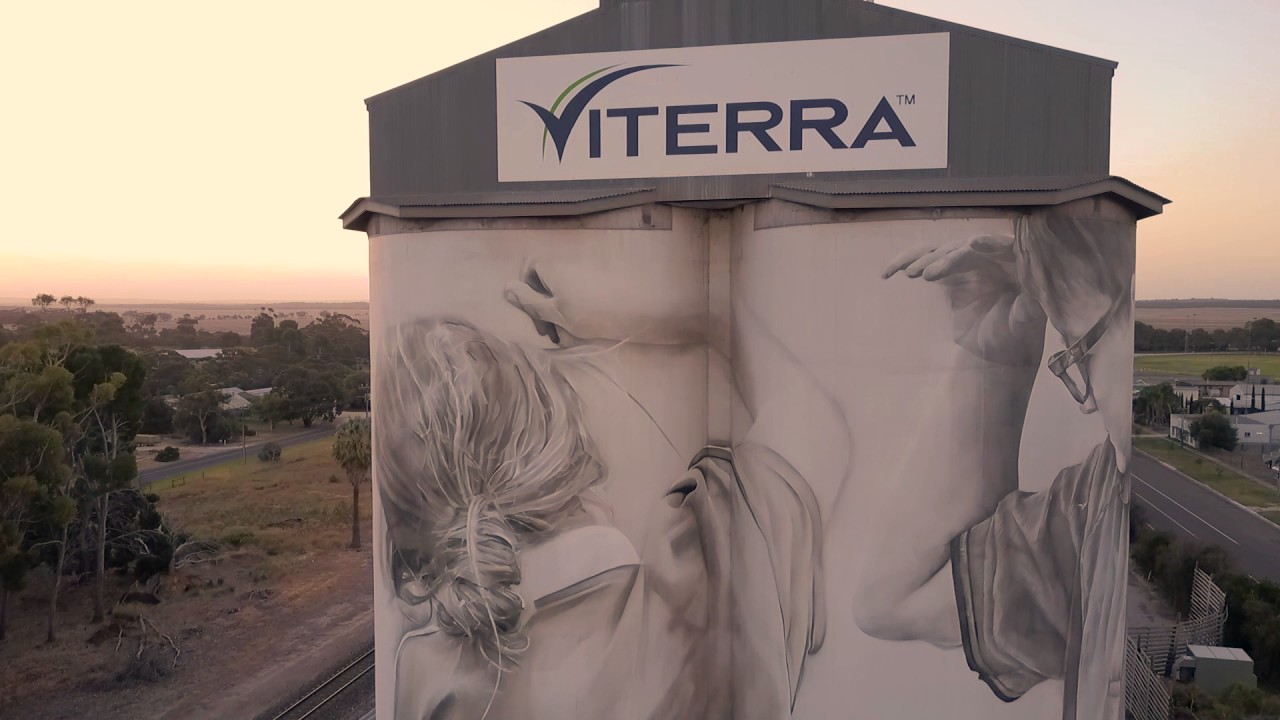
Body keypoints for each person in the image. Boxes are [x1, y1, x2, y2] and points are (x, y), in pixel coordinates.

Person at [378, 252, 850, 718]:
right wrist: (699, 314)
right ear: (561, 434)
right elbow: (811, 415)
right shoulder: (697, 583)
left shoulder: (424, 675)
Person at [858, 197, 1134, 719]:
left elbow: (889, 602)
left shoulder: (1102, 502)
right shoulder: (1090, 508)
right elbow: (888, 602)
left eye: (1081, 349)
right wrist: (995, 357)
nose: (1088, 399)